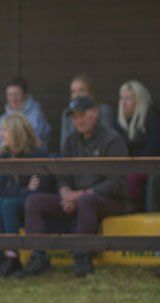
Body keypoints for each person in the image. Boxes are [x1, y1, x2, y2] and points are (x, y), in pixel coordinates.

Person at [21, 96, 128, 278]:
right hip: (77, 197)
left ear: (95, 113)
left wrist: (81, 194)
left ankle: (82, 256)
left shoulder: (113, 140)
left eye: (82, 115)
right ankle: (39, 256)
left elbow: (117, 182)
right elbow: (63, 176)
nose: (78, 120)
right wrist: (65, 193)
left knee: (87, 200)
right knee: (34, 201)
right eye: (75, 117)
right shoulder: (71, 140)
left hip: (108, 199)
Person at [0, 113, 45, 277]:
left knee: (7, 204)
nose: (1, 135)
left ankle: (12, 257)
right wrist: (24, 188)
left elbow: (38, 188)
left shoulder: (37, 154)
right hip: (18, 199)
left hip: (32, 204)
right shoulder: (5, 155)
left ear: (17, 132)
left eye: (5, 130)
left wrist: (15, 188)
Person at [114, 80, 160, 211]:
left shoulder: (151, 118)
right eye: (121, 98)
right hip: (126, 168)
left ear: (139, 100)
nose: (123, 103)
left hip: (149, 167)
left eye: (128, 98)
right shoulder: (119, 123)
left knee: (131, 178)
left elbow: (151, 152)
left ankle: (132, 209)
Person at [0, 77, 50, 152]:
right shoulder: (2, 118)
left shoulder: (36, 116)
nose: (13, 98)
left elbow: (32, 144)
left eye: (17, 94)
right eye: (10, 94)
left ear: (25, 95)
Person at [58, 74, 115, 148]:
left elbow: (107, 139)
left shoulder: (103, 110)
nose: (77, 95)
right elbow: (64, 144)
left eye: (81, 90)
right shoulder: (67, 113)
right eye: (73, 91)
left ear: (91, 93)